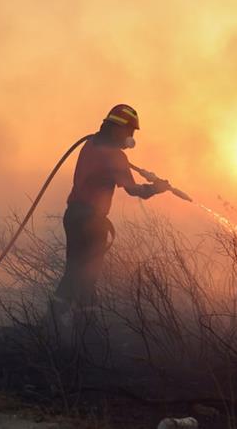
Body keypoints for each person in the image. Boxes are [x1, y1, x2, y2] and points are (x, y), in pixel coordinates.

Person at [52, 104, 170, 320]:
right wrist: (156, 188)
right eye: (130, 131)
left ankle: (54, 320)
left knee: (74, 271)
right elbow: (134, 190)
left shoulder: (90, 144)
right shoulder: (115, 156)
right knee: (87, 276)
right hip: (91, 223)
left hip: (73, 216)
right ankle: (84, 325)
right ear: (117, 129)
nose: (132, 137)